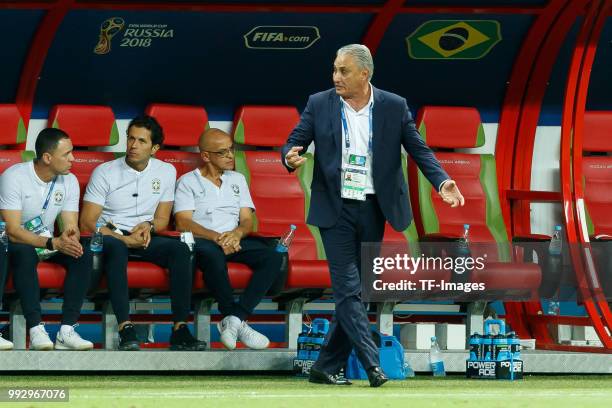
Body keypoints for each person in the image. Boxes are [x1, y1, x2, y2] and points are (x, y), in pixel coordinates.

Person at [281, 44, 465, 387]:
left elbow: (418, 148)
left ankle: (324, 366)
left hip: (374, 206)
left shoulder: (393, 106)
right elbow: (294, 141)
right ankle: (372, 364)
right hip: (334, 208)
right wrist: (289, 157)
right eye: (334, 70)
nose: (336, 77)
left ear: (365, 74)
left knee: (360, 291)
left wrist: (442, 181)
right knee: (348, 288)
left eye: (344, 71)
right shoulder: (319, 102)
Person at [79, 115, 206, 351]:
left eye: (141, 141)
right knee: (116, 247)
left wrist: (148, 226)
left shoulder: (166, 172)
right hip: (110, 235)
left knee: (181, 249)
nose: (133, 146)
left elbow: (162, 220)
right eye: (130, 139)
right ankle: (125, 327)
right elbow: (87, 222)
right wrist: (124, 239)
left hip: (144, 236)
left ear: (155, 148)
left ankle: (180, 328)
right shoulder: (104, 171)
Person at [174, 128, 283, 350]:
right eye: (223, 152)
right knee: (212, 256)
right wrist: (217, 238)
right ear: (206, 156)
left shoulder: (238, 179)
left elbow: (246, 220)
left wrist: (236, 234)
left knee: (273, 256)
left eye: (231, 150)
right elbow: (183, 222)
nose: (231, 156)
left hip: (234, 240)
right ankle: (233, 316)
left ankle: (234, 319)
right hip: (203, 242)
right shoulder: (188, 181)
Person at [0, 128, 94, 350]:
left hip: (47, 243)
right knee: (23, 252)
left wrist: (71, 238)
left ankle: (66, 331)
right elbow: (12, 230)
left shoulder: (68, 181)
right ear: (47, 157)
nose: (73, 159)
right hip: (12, 243)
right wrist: (52, 243)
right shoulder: (14, 176)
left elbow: (71, 224)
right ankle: (36, 329)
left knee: (82, 252)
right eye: (67, 154)